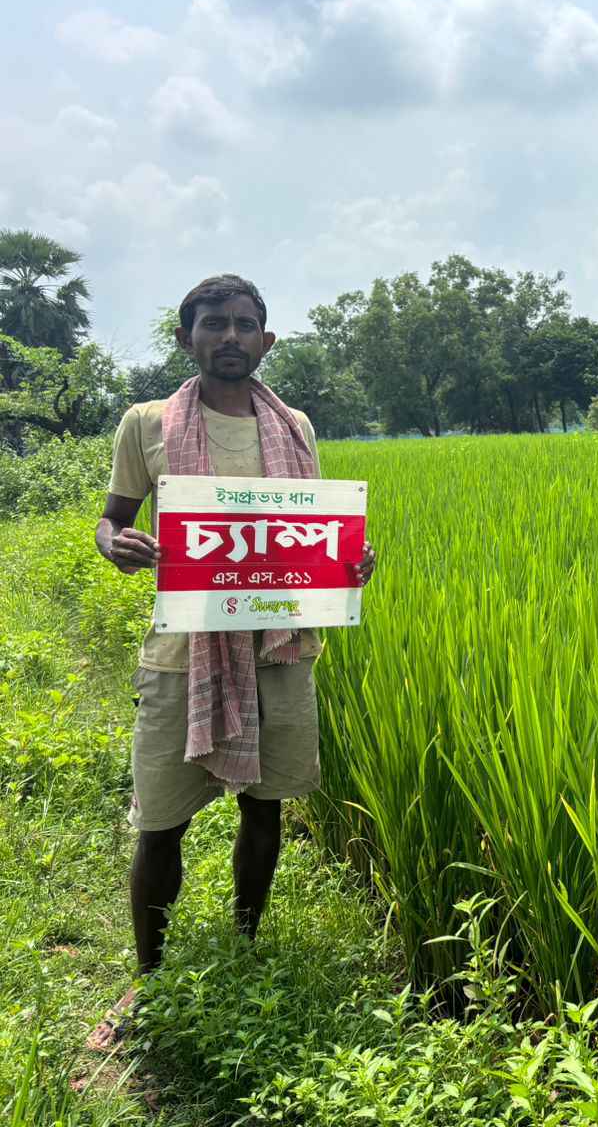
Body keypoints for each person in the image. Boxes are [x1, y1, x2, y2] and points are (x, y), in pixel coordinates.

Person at [85, 274, 375, 1051]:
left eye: (246, 324)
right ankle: (149, 979)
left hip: (277, 646)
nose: (231, 337)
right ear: (187, 338)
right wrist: (119, 545)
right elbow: (110, 522)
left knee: (265, 807)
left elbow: (310, 531)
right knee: (161, 819)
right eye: (214, 324)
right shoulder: (147, 423)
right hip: (184, 651)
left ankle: (245, 944)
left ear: (266, 340)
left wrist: (348, 564)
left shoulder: (295, 427)